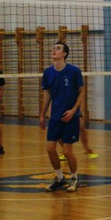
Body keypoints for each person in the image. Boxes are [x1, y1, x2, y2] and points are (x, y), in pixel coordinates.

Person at [39, 42, 85, 192]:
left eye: (58, 48)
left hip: (71, 116)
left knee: (67, 151)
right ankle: (59, 178)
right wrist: (42, 115)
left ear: (64, 54)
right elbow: (47, 96)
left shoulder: (74, 71)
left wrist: (73, 110)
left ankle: (75, 178)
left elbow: (81, 92)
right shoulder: (48, 73)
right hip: (55, 116)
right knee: (50, 149)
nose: (54, 50)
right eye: (53, 48)